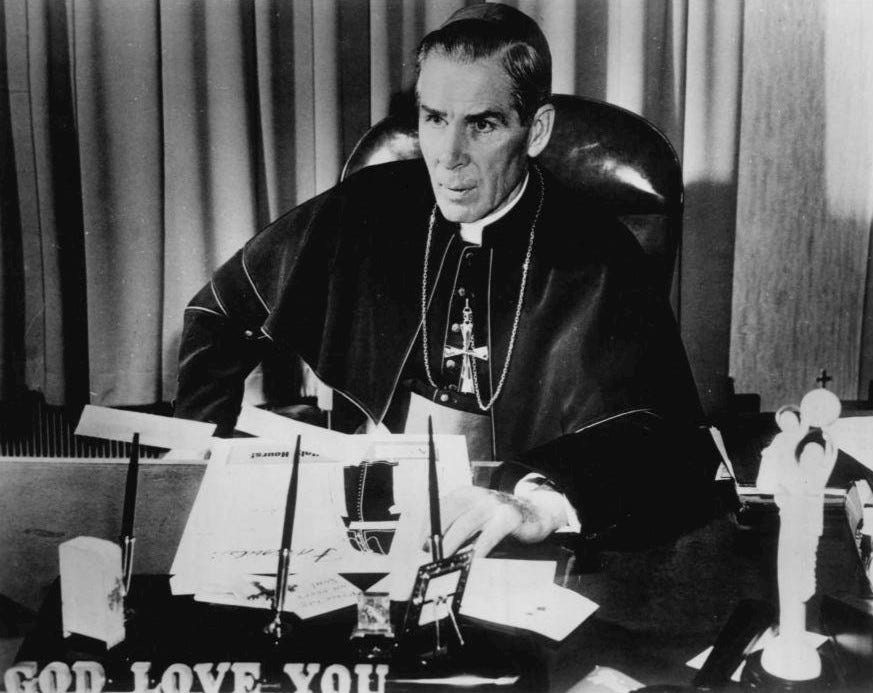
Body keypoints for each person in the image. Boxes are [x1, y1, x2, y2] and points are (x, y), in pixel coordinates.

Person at [175, 4, 720, 556]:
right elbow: (219, 311)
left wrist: (539, 504)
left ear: (536, 131)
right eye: (434, 118)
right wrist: (198, 468)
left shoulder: (600, 253)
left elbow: (663, 439)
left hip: (522, 545)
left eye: (481, 125)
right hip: (372, 527)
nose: (449, 157)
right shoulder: (367, 208)